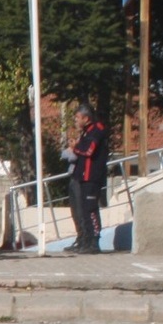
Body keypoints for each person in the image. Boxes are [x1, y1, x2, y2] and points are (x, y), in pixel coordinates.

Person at [67, 105, 108, 254]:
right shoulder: (86, 132)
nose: (76, 120)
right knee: (83, 209)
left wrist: (75, 148)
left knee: (91, 208)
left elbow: (89, 151)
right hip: (83, 176)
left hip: (93, 176)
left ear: (86, 118)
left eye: (78, 118)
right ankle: (85, 239)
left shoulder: (97, 129)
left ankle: (94, 241)